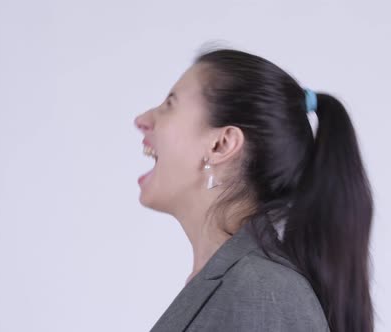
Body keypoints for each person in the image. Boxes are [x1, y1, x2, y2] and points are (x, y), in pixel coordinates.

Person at [134, 47, 373, 332]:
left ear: (221, 145)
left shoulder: (263, 293)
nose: (143, 119)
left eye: (169, 104)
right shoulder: (239, 284)